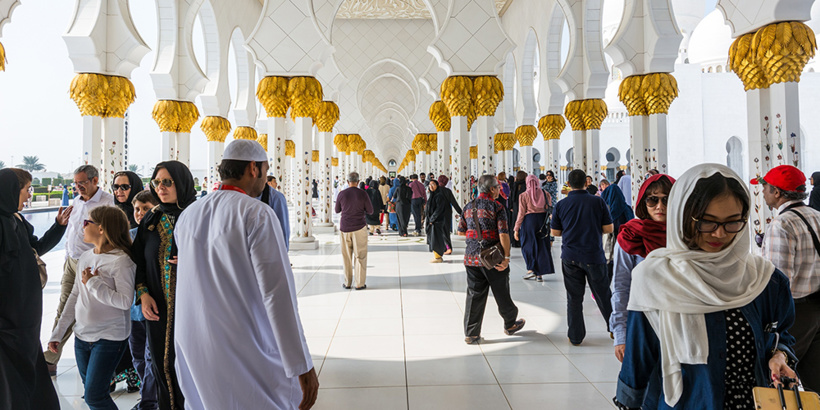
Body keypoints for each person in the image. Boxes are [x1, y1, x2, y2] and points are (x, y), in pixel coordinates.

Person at [615, 164, 799, 409]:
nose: (720, 234)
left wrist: (780, 355)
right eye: (707, 222)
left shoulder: (765, 281)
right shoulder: (655, 278)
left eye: (732, 222)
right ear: (683, 217)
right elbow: (638, 361)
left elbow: (781, 336)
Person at [172, 140, 318, 410]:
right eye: (266, 169)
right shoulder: (256, 213)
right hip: (245, 344)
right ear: (254, 168)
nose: (265, 177)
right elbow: (278, 294)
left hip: (196, 343)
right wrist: (301, 364)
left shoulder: (189, 215)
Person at [48, 206, 136, 410]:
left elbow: (125, 301)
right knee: (93, 394)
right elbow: (74, 296)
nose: (82, 226)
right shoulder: (86, 257)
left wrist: (94, 283)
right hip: (82, 337)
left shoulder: (121, 261)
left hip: (109, 338)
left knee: (95, 397)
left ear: (102, 229)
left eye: (87, 222)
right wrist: (58, 333)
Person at [0, 168, 69, 410]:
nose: (29, 195)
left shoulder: (16, 220)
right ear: (12, 191)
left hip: (26, 315)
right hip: (6, 320)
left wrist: (58, 226)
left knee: (28, 367)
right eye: (27, 189)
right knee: (11, 377)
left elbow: (36, 248)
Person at [131, 161, 196, 410]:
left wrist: (194, 259)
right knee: (162, 364)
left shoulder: (199, 215)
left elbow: (222, 254)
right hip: (157, 307)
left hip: (193, 306)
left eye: (167, 182)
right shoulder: (152, 218)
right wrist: (143, 294)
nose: (161, 187)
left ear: (182, 182)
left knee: (191, 366)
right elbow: (137, 260)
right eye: (157, 182)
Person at [46, 164, 115, 374]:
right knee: (64, 308)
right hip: (71, 262)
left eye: (82, 183)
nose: (78, 187)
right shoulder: (76, 202)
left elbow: (111, 236)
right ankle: (50, 359)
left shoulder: (108, 202)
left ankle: (102, 365)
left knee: (87, 311)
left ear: (95, 180)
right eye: (75, 183)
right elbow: (72, 232)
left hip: (92, 265)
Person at [756, 165, 820, 391]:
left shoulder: (782, 224)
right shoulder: (817, 216)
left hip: (796, 315)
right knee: (815, 380)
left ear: (776, 192)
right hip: (816, 308)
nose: (762, 192)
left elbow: (778, 282)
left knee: (776, 378)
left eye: (765, 187)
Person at [609, 174, 674, 363]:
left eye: (666, 200)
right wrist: (620, 334)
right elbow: (621, 287)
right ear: (643, 203)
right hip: (642, 322)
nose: (660, 207)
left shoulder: (686, 236)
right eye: (653, 200)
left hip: (681, 323)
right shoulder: (631, 237)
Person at [458, 175, 526, 344]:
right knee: (501, 292)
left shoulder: (469, 206)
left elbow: (461, 231)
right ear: (492, 189)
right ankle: (510, 324)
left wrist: (476, 236)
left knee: (474, 294)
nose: (499, 190)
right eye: (498, 187)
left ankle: (471, 333)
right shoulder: (497, 207)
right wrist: (506, 257)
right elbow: (503, 234)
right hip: (493, 258)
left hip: (471, 258)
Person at [551, 169, 614, 346]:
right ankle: (615, 329)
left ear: (568, 184)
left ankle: (575, 336)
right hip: (594, 255)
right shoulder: (598, 201)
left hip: (570, 256)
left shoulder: (561, 205)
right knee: (603, 294)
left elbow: (555, 232)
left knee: (574, 297)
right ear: (586, 183)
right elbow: (609, 228)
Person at [129, 190, 159, 410]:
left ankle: (148, 402)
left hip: (153, 305)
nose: (140, 213)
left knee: (150, 357)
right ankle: (148, 394)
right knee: (137, 355)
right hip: (132, 308)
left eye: (145, 208)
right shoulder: (129, 236)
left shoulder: (160, 235)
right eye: (137, 209)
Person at [335, 172, 373, 290]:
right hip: (359, 228)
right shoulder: (363, 194)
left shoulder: (342, 194)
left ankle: (347, 282)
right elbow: (370, 210)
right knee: (360, 255)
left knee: (346, 256)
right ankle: (359, 283)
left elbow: (337, 210)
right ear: (358, 181)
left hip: (345, 228)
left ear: (348, 182)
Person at [514, 175, 554, 282]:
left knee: (528, 245)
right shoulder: (546, 193)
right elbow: (549, 208)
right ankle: (540, 274)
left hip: (529, 222)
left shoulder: (523, 195)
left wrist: (516, 229)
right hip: (542, 222)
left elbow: (521, 213)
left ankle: (531, 269)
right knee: (542, 246)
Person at [259, 175, 290, 250]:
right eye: (274, 182)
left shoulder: (276, 197)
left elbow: (283, 228)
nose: (276, 184)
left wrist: (283, 251)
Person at [436, 175, 462, 255]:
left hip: (438, 214)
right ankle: (446, 247)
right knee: (446, 230)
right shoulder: (448, 191)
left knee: (440, 231)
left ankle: (447, 248)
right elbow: (454, 203)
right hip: (447, 213)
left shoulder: (436, 190)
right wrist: (461, 213)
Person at [426, 180, 449, 262]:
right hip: (432, 220)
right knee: (433, 238)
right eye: (430, 185)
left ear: (437, 185)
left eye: (433, 184)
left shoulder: (439, 196)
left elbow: (439, 209)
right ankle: (437, 256)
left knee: (436, 239)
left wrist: (432, 219)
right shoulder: (432, 195)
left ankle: (438, 257)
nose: (431, 186)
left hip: (437, 221)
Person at [509, 171, 527, 248]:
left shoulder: (514, 184)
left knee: (515, 223)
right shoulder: (525, 185)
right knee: (522, 222)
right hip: (523, 206)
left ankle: (514, 241)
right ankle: (521, 240)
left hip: (515, 206)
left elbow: (511, 196)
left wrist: (511, 206)